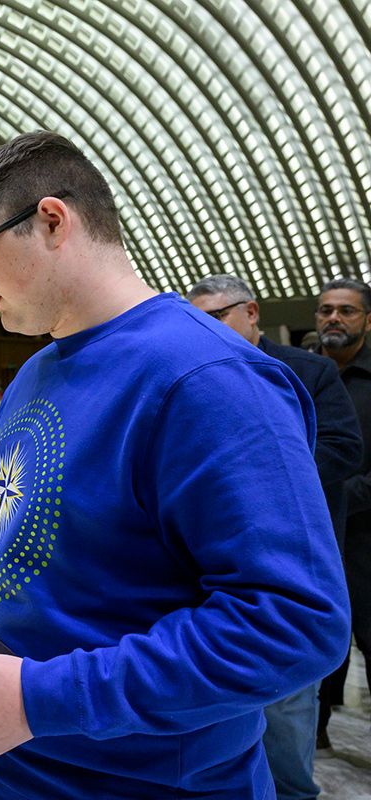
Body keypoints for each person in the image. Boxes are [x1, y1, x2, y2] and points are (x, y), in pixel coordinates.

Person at [0, 131, 349, 800]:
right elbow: (38, 556)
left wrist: (46, 699)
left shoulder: (206, 378)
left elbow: (293, 622)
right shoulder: (36, 373)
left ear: (51, 221)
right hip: (18, 772)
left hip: (140, 781)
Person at [188, 273, 362, 798]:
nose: (205, 328)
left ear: (252, 312)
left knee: (288, 699)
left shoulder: (307, 371)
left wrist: (262, 476)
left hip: (294, 554)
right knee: (228, 693)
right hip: (215, 559)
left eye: (216, 316)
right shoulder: (194, 371)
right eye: (196, 319)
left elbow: (342, 447)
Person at [315, 277, 371, 752]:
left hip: (366, 540)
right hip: (320, 537)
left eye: (346, 311)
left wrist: (330, 497)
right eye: (326, 310)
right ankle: (315, 738)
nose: (334, 318)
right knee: (321, 639)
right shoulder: (297, 373)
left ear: (367, 321)